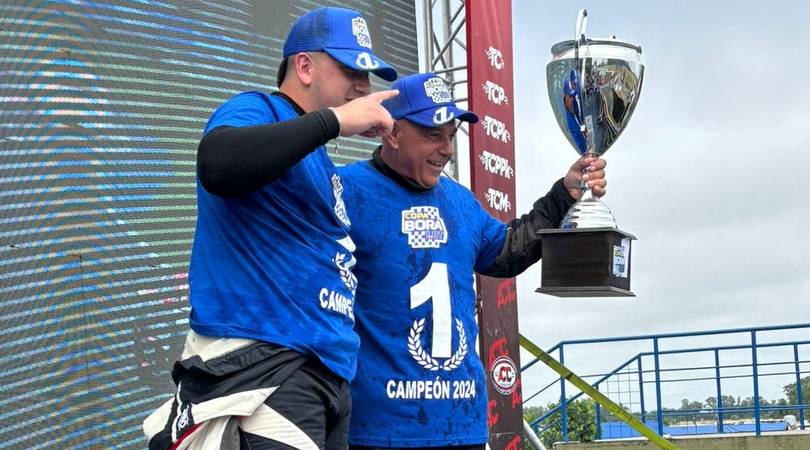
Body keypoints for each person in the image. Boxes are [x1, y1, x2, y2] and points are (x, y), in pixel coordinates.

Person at [143, 7, 399, 450]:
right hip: (267, 363)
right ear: (305, 66)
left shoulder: (319, 158)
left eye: (368, 75)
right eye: (350, 70)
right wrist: (335, 120)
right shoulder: (259, 108)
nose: (363, 87)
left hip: (327, 372)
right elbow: (218, 164)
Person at [337, 73, 607, 449]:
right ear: (393, 133)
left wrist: (564, 195)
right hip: (378, 431)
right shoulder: (344, 190)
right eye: (433, 134)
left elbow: (508, 250)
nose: (446, 149)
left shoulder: (461, 201)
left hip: (462, 423)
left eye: (451, 135)